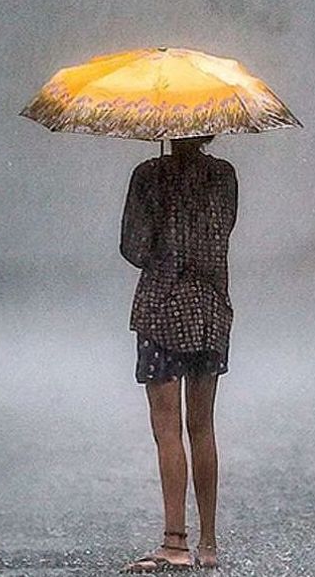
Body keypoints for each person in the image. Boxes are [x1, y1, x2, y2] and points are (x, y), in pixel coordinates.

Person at [119, 135, 236, 572]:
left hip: (161, 309)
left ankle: (174, 541)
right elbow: (221, 232)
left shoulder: (149, 177)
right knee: (202, 426)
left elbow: (133, 248)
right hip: (210, 308)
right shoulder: (223, 177)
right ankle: (208, 542)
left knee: (167, 430)